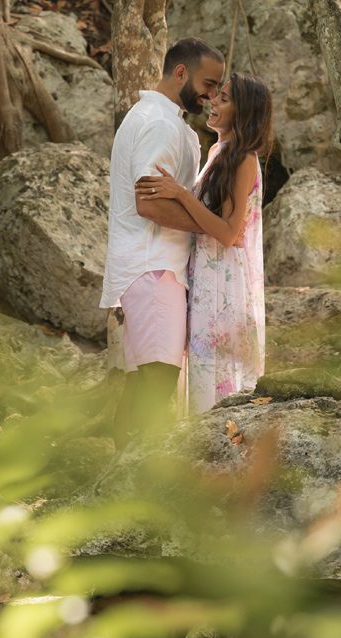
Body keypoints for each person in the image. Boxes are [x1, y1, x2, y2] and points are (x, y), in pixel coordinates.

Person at [99, 37, 225, 444]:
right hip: (155, 268)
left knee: (144, 381)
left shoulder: (167, 121)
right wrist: (215, 228)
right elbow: (149, 204)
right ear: (181, 73)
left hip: (155, 267)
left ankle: (119, 477)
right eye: (208, 84)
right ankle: (133, 478)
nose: (211, 96)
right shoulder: (157, 122)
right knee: (158, 379)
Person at [135, 73, 273, 414]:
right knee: (202, 371)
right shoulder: (218, 152)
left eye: (224, 99)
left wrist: (181, 194)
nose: (213, 101)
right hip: (206, 280)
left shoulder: (243, 158)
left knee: (219, 378)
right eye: (217, 95)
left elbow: (228, 233)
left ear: (244, 113)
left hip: (225, 285)